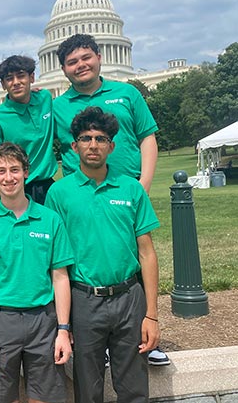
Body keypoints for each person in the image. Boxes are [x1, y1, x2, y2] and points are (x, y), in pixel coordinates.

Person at [45, 106, 160, 403]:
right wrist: (63, 321)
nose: (92, 145)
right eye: (85, 138)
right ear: (74, 146)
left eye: (100, 138)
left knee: (134, 385)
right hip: (84, 299)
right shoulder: (59, 193)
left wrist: (151, 314)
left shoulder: (131, 188)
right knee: (87, 386)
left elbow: (147, 253)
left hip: (128, 296)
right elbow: (55, 260)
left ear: (112, 145)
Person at [0, 142, 73, 403]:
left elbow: (60, 277)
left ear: (26, 172)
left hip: (43, 320)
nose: (8, 177)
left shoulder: (50, 219)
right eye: (0, 171)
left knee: (46, 397)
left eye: (14, 169)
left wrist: (64, 331)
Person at [54, 33, 158, 193]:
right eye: (72, 62)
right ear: (64, 69)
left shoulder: (128, 93)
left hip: (128, 187)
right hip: (79, 194)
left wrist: (144, 185)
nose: (81, 65)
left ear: (99, 57)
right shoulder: (56, 107)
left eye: (86, 58)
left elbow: (147, 138)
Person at [0, 56, 57, 204]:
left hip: (49, 185)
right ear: (3, 84)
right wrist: (2, 205)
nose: (16, 82)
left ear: (32, 77)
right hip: (19, 189)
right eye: (9, 78)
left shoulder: (45, 98)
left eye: (21, 76)